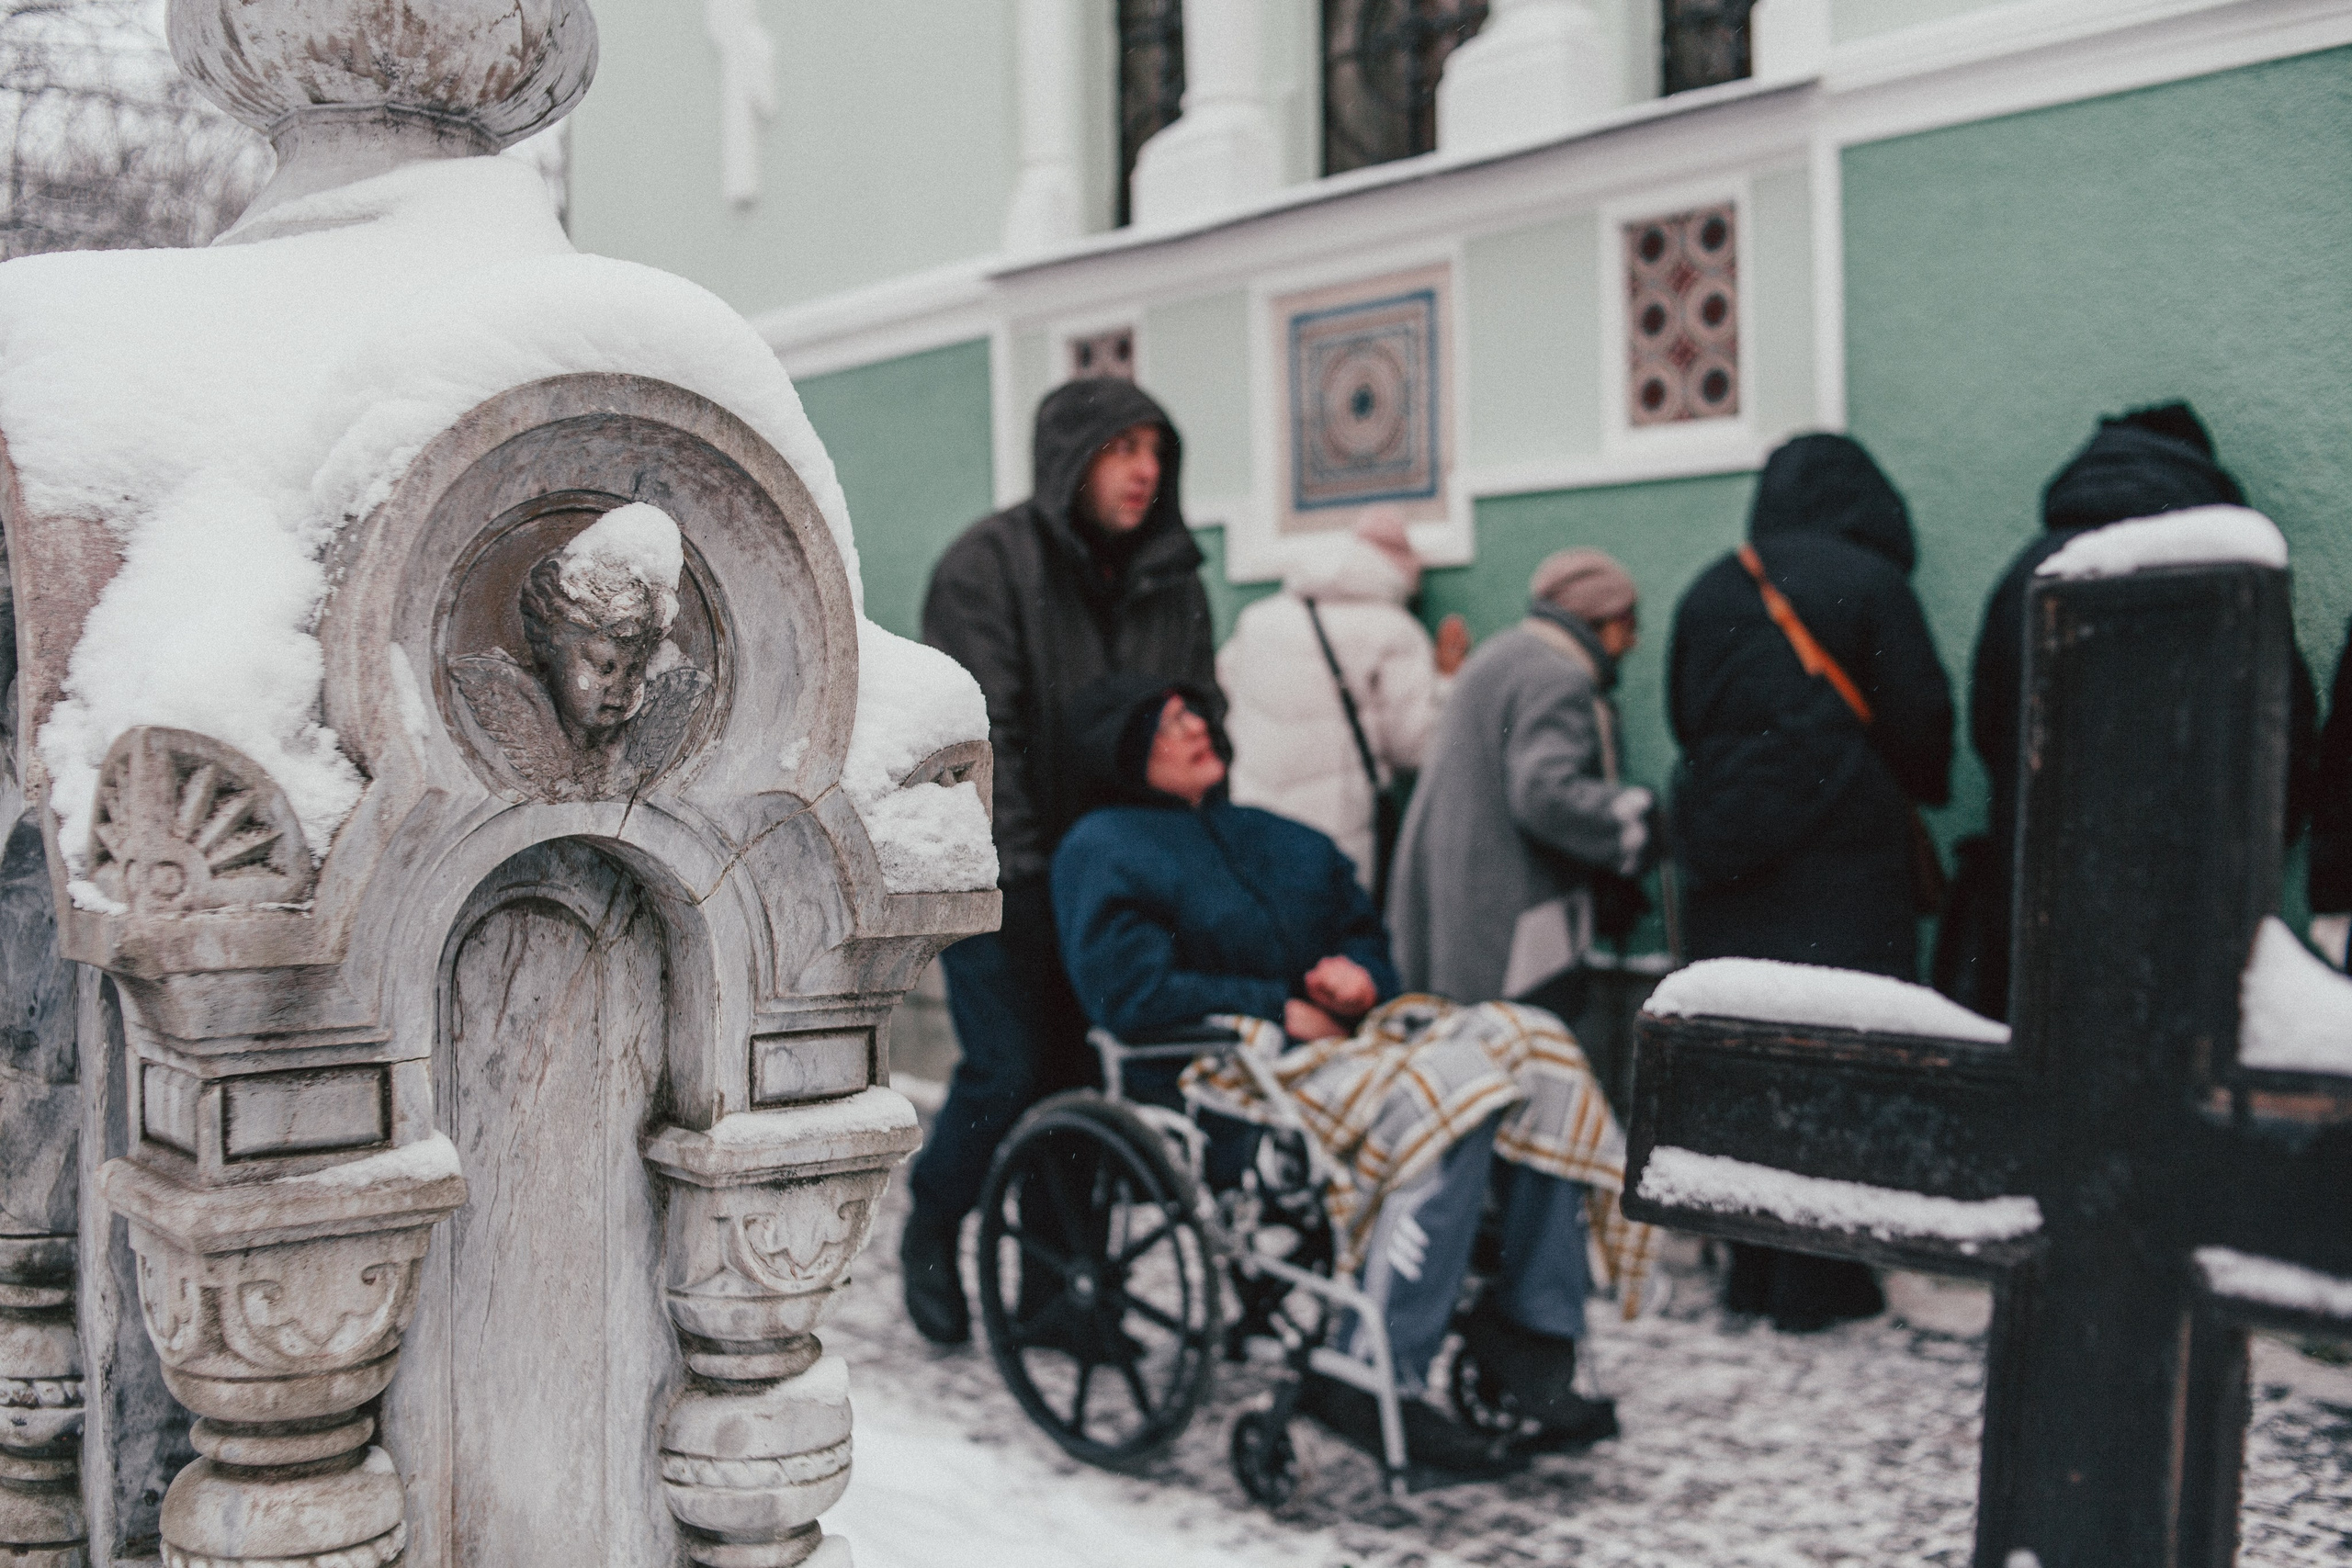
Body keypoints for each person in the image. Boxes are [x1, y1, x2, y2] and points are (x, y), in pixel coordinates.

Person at [1050, 674, 1651, 1471]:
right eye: (1166, 720)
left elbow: (1365, 938)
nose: (1195, 724)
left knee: (1537, 1049)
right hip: (1228, 1082)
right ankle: (1369, 1374)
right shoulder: (1104, 847)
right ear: (1124, 753)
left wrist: (1361, 976)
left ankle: (1532, 1334)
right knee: (1455, 1095)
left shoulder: (1287, 839)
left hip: (1350, 1052)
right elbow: (1126, 991)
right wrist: (1276, 1003)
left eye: (1197, 710)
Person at [901, 378, 1219, 1346]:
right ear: (1069, 459)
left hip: (1118, 884)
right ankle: (933, 1226)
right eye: (1121, 450)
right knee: (1008, 1071)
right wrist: (1025, 880)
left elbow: (1201, 723)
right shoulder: (987, 569)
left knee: (1087, 1080)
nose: (1143, 471)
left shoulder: (1172, 578)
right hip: (1004, 879)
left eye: (1154, 451)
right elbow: (986, 738)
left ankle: (1057, 1289)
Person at [1668, 432, 1952, 1331]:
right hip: (1842, 866)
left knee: (1744, 1061)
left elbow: (1683, 717)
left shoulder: (1710, 587)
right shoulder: (1870, 584)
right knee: (1840, 1061)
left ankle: (1751, 1268)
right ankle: (1822, 1282)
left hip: (1724, 864)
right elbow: (1920, 727)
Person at [1951, 403, 2316, 1015]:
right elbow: (2287, 735)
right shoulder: (2223, 569)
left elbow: (1990, 730)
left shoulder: (2028, 570)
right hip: (2186, 909)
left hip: (2037, 900)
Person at [1385, 548, 1656, 1025]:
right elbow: (1545, 793)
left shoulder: (1503, 654)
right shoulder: (1557, 676)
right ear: (1607, 620)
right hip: (1510, 929)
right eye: (1631, 624)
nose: (1632, 643)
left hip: (1457, 909)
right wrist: (1636, 821)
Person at [1217, 507, 1470, 894]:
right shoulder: (1395, 630)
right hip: (1335, 835)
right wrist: (1449, 680)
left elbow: (1227, 689)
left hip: (1250, 825)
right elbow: (1413, 747)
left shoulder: (1257, 621)